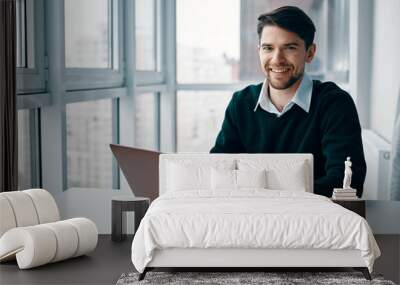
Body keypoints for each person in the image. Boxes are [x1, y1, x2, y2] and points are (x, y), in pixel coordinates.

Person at [210, 6, 366, 198]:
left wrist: (266, 195)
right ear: (259, 51)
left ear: (310, 53)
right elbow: (219, 173)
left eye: (290, 48)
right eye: (268, 48)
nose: (277, 59)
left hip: (313, 220)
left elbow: (346, 183)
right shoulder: (241, 103)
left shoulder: (334, 104)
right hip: (250, 218)